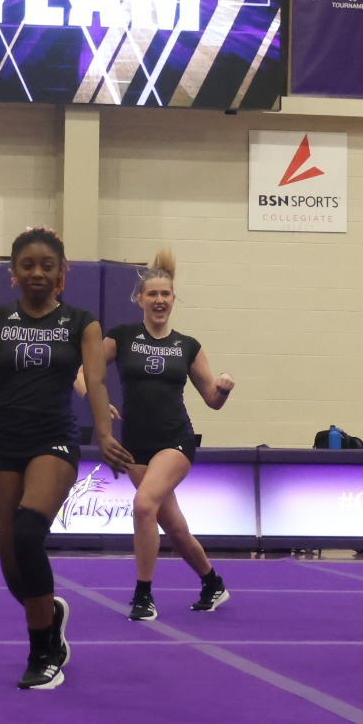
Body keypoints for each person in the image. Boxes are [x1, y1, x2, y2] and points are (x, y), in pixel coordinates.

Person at [0, 227, 128, 690]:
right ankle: (49, 610)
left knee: (28, 535)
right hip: (5, 440)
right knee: (10, 562)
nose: (38, 273)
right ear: (13, 274)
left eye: (48, 265)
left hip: (54, 440)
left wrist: (103, 434)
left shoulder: (81, 321)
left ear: (62, 274)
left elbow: (98, 383)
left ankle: (44, 651)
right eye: (28, 265)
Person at [101, 249, 234, 621]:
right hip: (135, 446)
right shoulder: (122, 337)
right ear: (140, 299)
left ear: (174, 299)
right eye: (152, 294)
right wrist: (98, 403)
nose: (159, 300)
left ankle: (143, 594)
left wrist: (222, 388)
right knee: (172, 525)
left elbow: (211, 400)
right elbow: (83, 372)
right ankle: (212, 582)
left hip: (176, 440)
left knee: (144, 506)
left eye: (166, 294)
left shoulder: (187, 346)